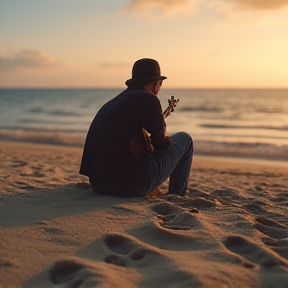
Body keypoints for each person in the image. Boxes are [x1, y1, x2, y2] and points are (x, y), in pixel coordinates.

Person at [79, 58, 193, 197]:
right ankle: (177, 194)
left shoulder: (115, 101)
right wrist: (163, 138)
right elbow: (161, 144)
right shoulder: (149, 99)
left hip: (98, 185)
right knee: (185, 139)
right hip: (129, 187)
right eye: (160, 84)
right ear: (157, 83)